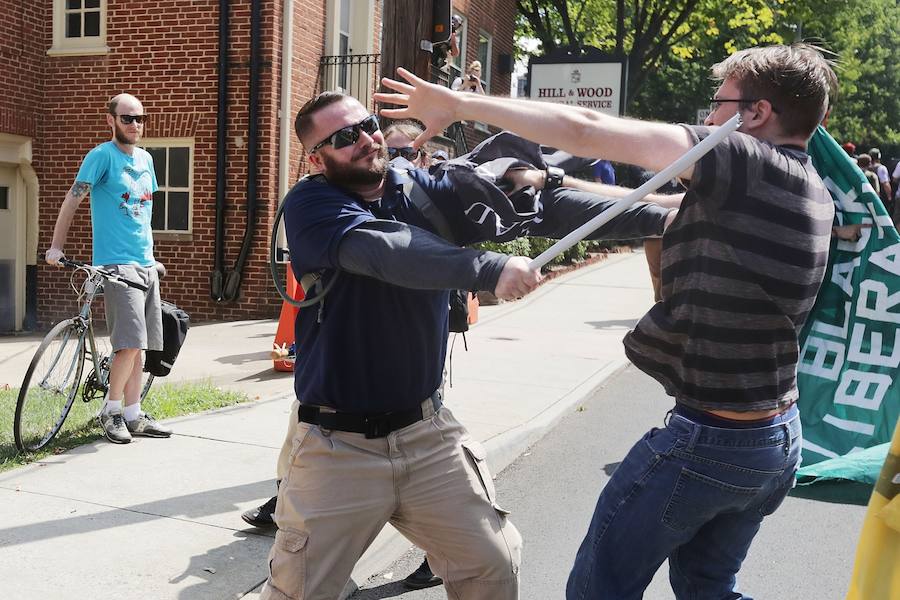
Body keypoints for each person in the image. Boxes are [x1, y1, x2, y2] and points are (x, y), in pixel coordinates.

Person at [377, 42, 837, 599]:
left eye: (717, 104)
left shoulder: (744, 159)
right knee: (708, 586)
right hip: (774, 438)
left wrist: (459, 104)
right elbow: (653, 206)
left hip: (712, 439)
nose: (706, 118)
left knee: (599, 589)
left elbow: (588, 128)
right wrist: (554, 186)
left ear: (755, 114)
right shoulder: (803, 187)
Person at [260, 91, 676, 600]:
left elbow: (544, 206)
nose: (366, 140)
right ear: (315, 157)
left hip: (426, 433)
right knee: (300, 593)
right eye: (344, 137)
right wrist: (489, 267)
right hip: (337, 447)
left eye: (367, 124)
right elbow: (384, 249)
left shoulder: (420, 188)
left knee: (491, 565)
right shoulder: (313, 206)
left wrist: (663, 219)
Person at [45, 93, 171, 444]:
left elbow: (143, 214)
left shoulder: (146, 159)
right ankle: (111, 411)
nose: (135, 124)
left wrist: (151, 256)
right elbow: (73, 199)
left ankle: (133, 414)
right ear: (111, 121)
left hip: (144, 263)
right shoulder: (101, 156)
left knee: (141, 347)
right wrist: (57, 246)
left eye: (140, 118)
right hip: (116, 263)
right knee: (128, 344)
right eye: (127, 118)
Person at [868, 147, 893, 215]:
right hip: (880, 196)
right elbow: (885, 183)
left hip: (868, 195)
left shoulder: (867, 167)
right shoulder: (881, 168)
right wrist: (889, 197)